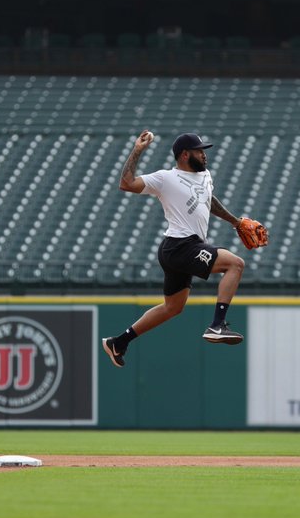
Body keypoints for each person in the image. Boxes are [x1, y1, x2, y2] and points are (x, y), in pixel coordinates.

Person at [101, 130, 249, 368]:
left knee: (173, 308)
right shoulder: (165, 178)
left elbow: (208, 200)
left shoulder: (205, 176)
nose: (204, 155)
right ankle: (217, 324)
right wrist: (137, 150)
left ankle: (119, 342)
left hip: (181, 248)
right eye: (199, 151)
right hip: (181, 245)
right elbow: (126, 183)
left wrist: (235, 221)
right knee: (235, 264)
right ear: (184, 155)